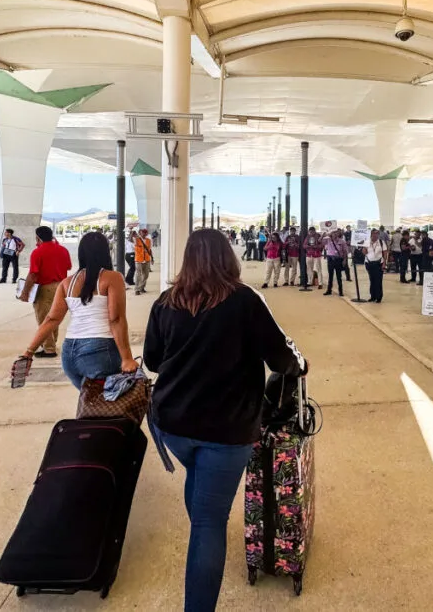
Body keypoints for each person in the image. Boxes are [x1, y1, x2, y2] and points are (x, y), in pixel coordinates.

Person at [143, 229, 306, 612]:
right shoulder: (244, 301)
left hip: (174, 427)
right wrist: (300, 364)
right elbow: (282, 358)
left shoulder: (166, 301)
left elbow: (152, 361)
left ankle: (202, 515)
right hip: (226, 431)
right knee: (209, 524)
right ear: (227, 257)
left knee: (199, 488)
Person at [20, 232, 136, 389]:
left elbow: (52, 319)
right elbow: (116, 318)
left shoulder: (67, 283)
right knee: (106, 407)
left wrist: (29, 352)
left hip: (70, 355)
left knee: (90, 404)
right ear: (105, 252)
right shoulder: (113, 278)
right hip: (99, 350)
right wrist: (127, 358)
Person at [19, 226, 73, 357]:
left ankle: (49, 348)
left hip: (45, 287)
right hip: (62, 286)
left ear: (38, 237)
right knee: (55, 316)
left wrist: (25, 291)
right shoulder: (62, 250)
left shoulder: (37, 252)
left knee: (44, 318)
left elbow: (33, 274)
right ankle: (52, 342)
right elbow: (69, 266)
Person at [323, 229, 349, 297]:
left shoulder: (342, 241)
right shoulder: (328, 240)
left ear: (338, 234)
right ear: (331, 234)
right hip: (330, 259)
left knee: (338, 276)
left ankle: (340, 291)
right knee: (330, 276)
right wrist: (324, 235)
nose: (334, 234)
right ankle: (329, 290)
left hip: (338, 260)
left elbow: (345, 251)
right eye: (333, 233)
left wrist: (345, 260)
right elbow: (320, 241)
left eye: (335, 233)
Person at [362, 228, 385, 302]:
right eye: (374, 234)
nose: (375, 235)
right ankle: (373, 296)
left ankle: (379, 297)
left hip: (379, 264)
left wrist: (384, 263)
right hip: (369, 264)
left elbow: (385, 253)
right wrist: (364, 246)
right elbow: (364, 253)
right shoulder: (367, 242)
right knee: (372, 280)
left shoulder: (381, 242)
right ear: (371, 234)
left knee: (378, 281)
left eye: (377, 233)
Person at [134, 228, 154, 295]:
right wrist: (131, 231)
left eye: (146, 232)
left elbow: (150, 250)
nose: (144, 233)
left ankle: (142, 287)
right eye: (143, 232)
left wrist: (152, 258)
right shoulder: (136, 240)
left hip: (147, 259)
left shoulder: (149, 240)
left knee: (146, 275)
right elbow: (130, 239)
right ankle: (137, 289)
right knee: (138, 275)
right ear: (140, 233)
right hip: (138, 260)